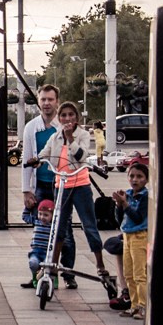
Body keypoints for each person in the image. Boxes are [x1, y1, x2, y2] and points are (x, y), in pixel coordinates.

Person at [31, 100, 112, 287]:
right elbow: (45, 153)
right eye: (63, 115)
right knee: (58, 226)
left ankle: (100, 265)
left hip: (80, 185)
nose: (67, 118)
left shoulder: (83, 135)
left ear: (76, 117)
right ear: (59, 118)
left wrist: (71, 139)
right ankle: (53, 265)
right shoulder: (55, 136)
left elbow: (81, 156)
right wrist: (36, 160)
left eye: (71, 115)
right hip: (62, 185)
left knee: (89, 225)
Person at [20, 83, 77, 289]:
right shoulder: (31, 128)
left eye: (50, 99)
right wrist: (27, 190)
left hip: (61, 185)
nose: (46, 103)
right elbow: (27, 159)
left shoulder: (63, 126)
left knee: (65, 231)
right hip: (41, 185)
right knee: (41, 231)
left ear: (57, 102)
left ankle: (68, 273)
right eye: (43, 99)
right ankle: (39, 274)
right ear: (38, 101)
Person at [113, 156, 149, 320]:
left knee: (139, 273)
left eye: (140, 177)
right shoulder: (127, 194)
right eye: (132, 176)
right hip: (127, 235)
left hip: (140, 236)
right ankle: (134, 305)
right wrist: (119, 205)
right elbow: (119, 218)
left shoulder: (145, 197)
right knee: (128, 273)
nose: (135, 180)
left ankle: (143, 305)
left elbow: (138, 217)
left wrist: (125, 204)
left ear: (146, 180)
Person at [25, 198, 56, 285]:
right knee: (33, 263)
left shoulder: (53, 226)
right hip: (35, 251)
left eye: (46, 215)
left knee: (48, 266)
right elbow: (25, 217)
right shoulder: (36, 221)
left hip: (47, 253)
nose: (42, 217)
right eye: (40, 214)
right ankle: (35, 278)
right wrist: (28, 207)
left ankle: (46, 279)